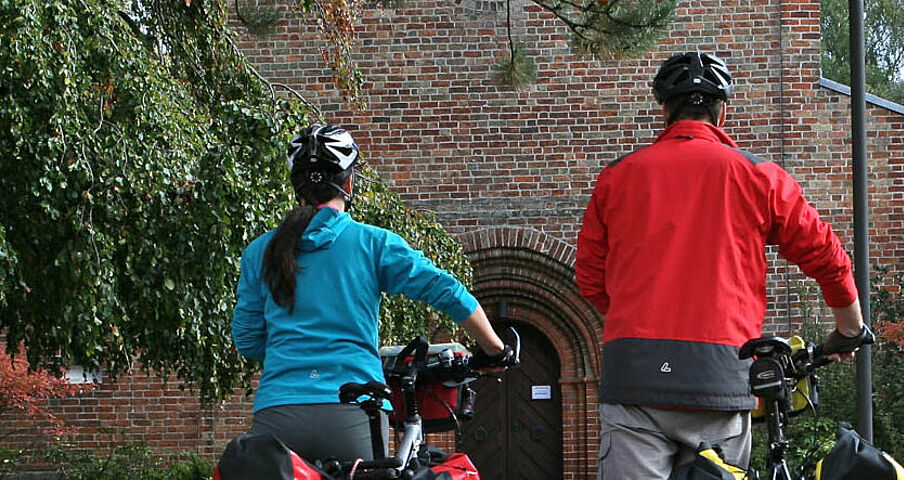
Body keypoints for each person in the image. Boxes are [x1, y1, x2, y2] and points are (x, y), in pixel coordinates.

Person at [575, 52, 870, 479]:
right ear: (722, 114)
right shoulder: (759, 177)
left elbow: (590, 279)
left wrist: (636, 322)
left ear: (664, 112)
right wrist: (849, 328)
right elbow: (825, 253)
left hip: (635, 377)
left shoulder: (616, 178)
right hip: (719, 378)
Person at [232, 124, 512, 463]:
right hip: (354, 410)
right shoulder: (374, 244)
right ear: (349, 183)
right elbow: (446, 290)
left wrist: (293, 354)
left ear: (296, 186)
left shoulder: (260, 251)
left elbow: (248, 340)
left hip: (278, 412)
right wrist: (494, 349)